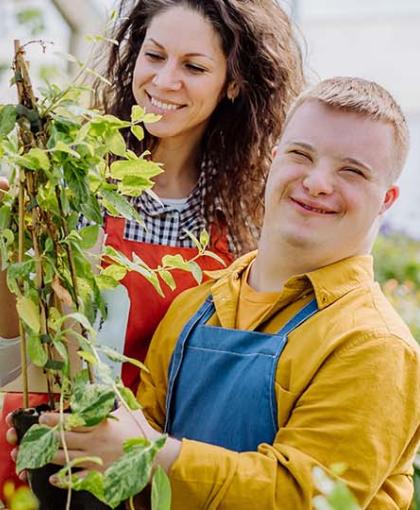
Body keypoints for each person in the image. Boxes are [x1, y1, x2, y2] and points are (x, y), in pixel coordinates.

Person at [23, 77, 420, 509]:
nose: (318, 181)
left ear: (387, 199)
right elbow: (136, 473)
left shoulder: (373, 346)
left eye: (352, 171)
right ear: (273, 161)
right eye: (300, 155)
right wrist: (76, 448)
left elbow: (303, 497)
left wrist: (148, 454)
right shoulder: (195, 307)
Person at [0, 0, 304, 500]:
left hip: (141, 476)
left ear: (232, 83)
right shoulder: (71, 179)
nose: (165, 81)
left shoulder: (243, 225)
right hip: (34, 461)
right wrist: (6, 237)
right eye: (155, 56)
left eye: (194, 66)